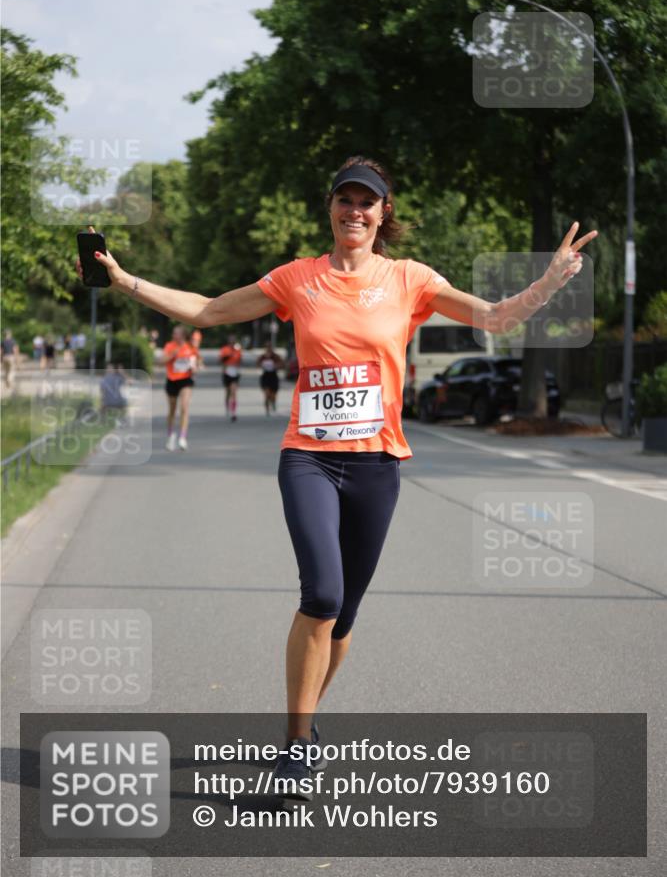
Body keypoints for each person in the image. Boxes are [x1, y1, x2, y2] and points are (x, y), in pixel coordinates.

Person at [77, 158, 597, 797]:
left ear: (383, 213)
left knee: (344, 615)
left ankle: (304, 724)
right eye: (345, 200)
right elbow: (208, 311)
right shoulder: (297, 278)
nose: (355, 210)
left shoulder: (410, 279)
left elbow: (495, 317)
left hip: (378, 463)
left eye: (366, 202)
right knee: (321, 595)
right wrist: (124, 279)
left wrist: (549, 280)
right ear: (330, 208)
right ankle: (298, 746)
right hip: (310, 458)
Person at [162, 325, 197, 450]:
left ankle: (182, 437)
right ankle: (171, 435)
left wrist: (194, 367)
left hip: (186, 380)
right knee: (172, 410)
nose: (173, 335)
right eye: (173, 333)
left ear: (182, 335)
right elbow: (162, 361)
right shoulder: (169, 346)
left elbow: (195, 361)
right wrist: (172, 355)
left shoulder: (190, 347)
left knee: (184, 407)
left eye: (175, 333)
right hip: (172, 380)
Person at [219, 334, 242, 421]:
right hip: (227, 372)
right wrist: (229, 356)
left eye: (233, 340)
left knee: (234, 392)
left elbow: (240, 360)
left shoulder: (238, 350)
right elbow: (221, 360)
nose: (232, 342)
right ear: (228, 341)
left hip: (235, 372)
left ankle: (233, 412)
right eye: (231, 340)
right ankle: (227, 408)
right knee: (228, 392)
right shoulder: (224, 349)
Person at [257, 342, 283, 416]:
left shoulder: (275, 356)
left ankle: (273, 402)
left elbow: (282, 364)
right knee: (267, 394)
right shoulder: (262, 357)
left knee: (273, 395)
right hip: (265, 376)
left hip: (273, 376)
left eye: (269, 347)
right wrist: (262, 365)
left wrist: (276, 366)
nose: (268, 349)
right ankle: (267, 409)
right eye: (267, 347)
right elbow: (258, 364)